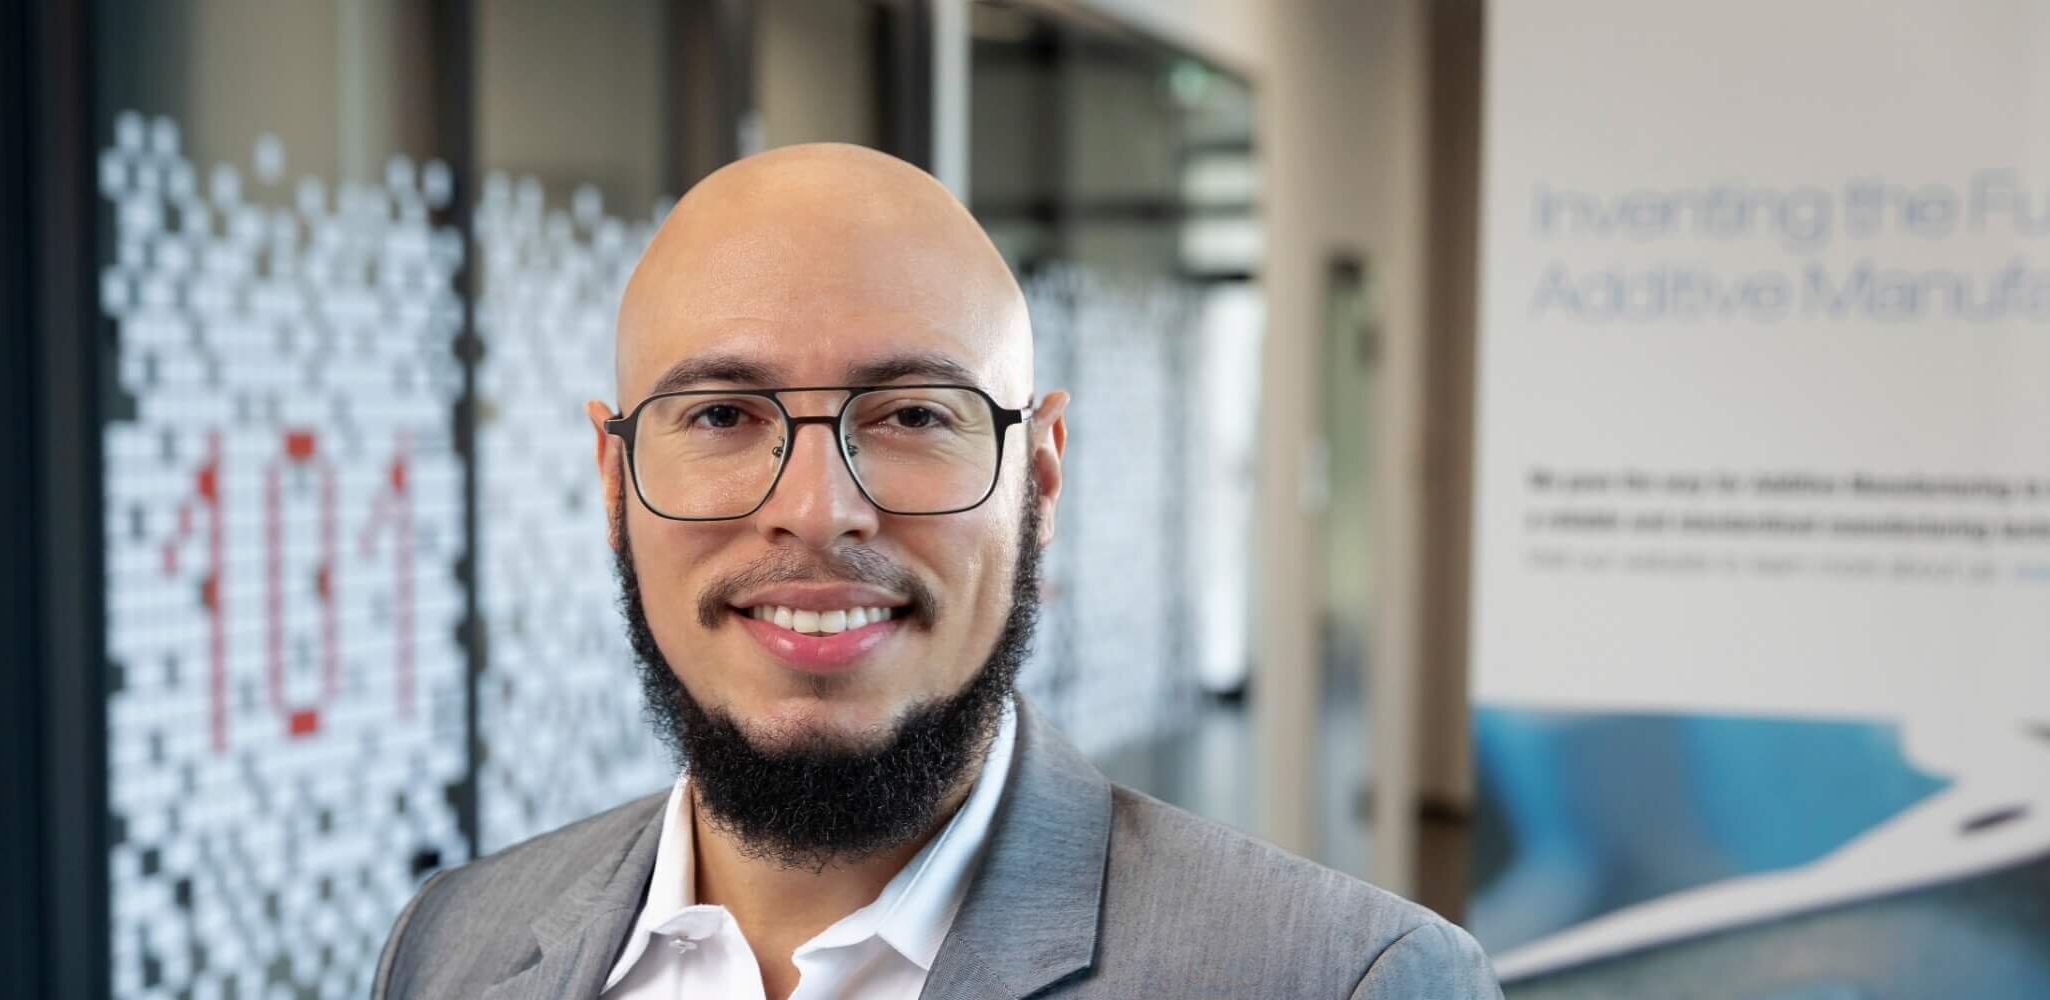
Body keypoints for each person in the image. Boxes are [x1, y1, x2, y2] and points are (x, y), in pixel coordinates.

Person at [370, 143, 1501, 1000]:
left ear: (1040, 478)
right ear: (613, 481)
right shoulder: (453, 945)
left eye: (913, 411)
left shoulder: (1342, 979)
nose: (814, 511)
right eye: (719, 413)